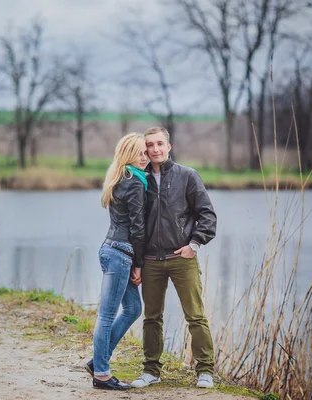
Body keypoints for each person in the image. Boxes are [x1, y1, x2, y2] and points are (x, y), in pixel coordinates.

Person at [130, 127, 217, 389]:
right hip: (150, 261)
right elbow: (133, 223)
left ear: (169, 146)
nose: (155, 149)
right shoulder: (138, 179)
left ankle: (205, 371)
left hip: (182, 258)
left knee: (195, 316)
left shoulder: (187, 176)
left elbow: (207, 215)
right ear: (144, 150)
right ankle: (151, 370)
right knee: (151, 317)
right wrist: (137, 261)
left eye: (159, 144)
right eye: (150, 145)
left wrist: (194, 244)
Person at [86, 132, 148, 390]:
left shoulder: (121, 177)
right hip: (121, 253)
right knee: (107, 315)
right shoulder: (134, 182)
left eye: (146, 153)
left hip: (111, 249)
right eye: (140, 153)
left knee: (133, 309)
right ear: (129, 155)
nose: (145, 157)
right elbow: (138, 228)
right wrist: (139, 263)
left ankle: (95, 362)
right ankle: (101, 374)